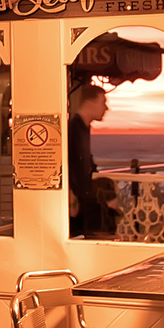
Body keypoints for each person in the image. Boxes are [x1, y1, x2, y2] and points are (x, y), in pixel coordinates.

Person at [68, 83, 108, 238]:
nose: (106, 108)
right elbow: (65, 161)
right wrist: (70, 194)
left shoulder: (83, 128)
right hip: (75, 202)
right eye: (102, 102)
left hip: (81, 199)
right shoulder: (74, 128)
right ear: (90, 103)